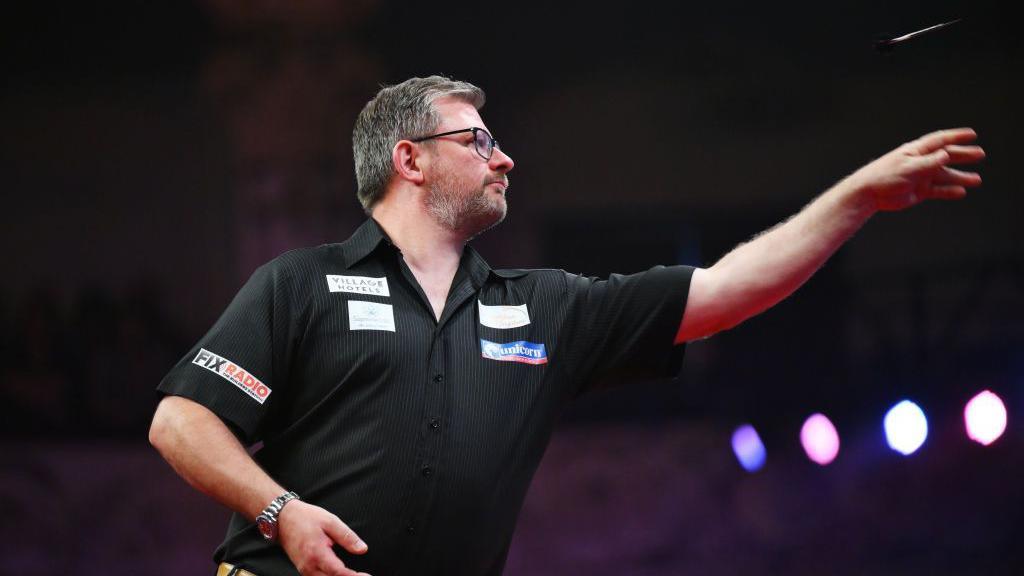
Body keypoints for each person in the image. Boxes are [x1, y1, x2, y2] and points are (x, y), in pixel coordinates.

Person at [149, 75, 984, 576]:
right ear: (409, 160)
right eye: (477, 140)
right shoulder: (302, 283)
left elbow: (728, 289)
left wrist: (857, 200)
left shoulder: (547, 306)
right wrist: (281, 511)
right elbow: (179, 419)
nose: (504, 157)